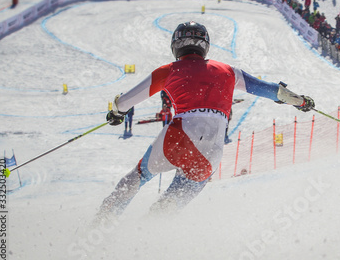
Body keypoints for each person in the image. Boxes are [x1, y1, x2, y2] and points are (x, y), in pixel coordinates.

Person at [95, 21, 315, 222]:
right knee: (168, 207)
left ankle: (99, 224)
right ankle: (141, 239)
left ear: (175, 46)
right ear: (205, 46)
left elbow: (125, 102)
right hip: (211, 151)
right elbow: (270, 90)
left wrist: (116, 113)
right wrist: (299, 101)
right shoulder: (229, 71)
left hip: (179, 135)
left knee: (138, 176)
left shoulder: (169, 70)